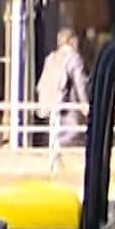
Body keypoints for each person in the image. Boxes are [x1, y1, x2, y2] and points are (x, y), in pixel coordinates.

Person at [37, 26, 88, 158]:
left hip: (49, 100)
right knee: (73, 129)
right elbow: (79, 83)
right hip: (66, 102)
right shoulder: (74, 58)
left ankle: (54, 151)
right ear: (71, 41)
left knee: (56, 129)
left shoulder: (51, 57)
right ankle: (55, 149)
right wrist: (84, 103)